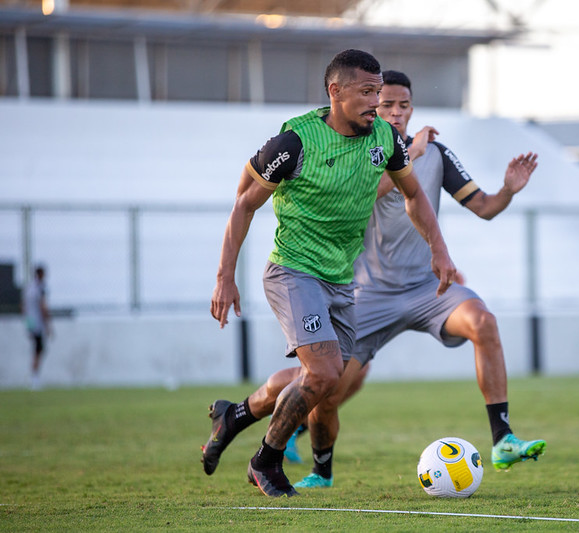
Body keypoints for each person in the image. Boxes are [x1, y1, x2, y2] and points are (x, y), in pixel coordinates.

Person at [203, 69, 544, 489]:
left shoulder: (422, 150)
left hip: (425, 290)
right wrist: (408, 153)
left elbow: (474, 205)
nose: (394, 112)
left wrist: (504, 193)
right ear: (358, 102)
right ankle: (286, 446)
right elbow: (371, 190)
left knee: (483, 322)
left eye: (402, 105)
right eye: (384, 104)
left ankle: (502, 437)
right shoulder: (357, 146)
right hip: (365, 290)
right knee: (326, 381)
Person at [22, 265, 51, 391]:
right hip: (38, 324)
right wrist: (48, 325)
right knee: (38, 351)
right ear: (41, 275)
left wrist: (28, 324)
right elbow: (43, 307)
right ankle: (34, 378)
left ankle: (33, 377)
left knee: (36, 350)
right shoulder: (40, 289)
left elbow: (22, 306)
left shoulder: (28, 288)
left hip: (31, 323)